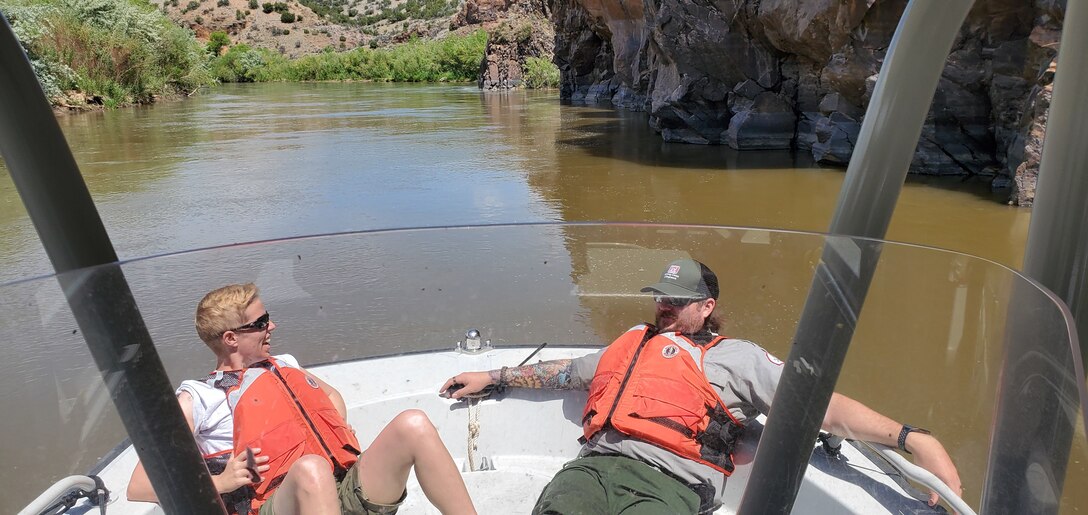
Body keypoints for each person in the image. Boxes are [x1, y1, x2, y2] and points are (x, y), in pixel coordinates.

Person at [442, 258, 962, 514]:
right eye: (659, 298)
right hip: (592, 468)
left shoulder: (735, 358)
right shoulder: (631, 342)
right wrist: (492, 377)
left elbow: (819, 409)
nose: (662, 307)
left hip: (667, 487)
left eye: (676, 301)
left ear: (706, 306)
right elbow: (566, 371)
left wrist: (911, 438)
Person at [128, 283, 477, 515]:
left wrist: (328, 430)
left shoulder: (284, 366)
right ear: (231, 338)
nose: (273, 326)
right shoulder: (198, 399)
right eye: (261, 322)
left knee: (412, 423)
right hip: (275, 505)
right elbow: (139, 485)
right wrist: (222, 481)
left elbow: (331, 397)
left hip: (340, 488)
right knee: (312, 468)